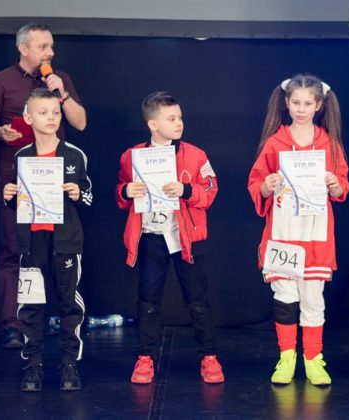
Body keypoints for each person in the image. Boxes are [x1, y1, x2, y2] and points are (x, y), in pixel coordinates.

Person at [0, 23, 86, 348]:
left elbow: (80, 122)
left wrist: (62, 93)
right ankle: (13, 324)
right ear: (23, 49)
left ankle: (44, 318)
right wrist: (0, 132)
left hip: (56, 176)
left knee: (53, 249)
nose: (50, 52)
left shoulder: (60, 79)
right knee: (15, 249)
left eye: (51, 46)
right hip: (18, 176)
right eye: (42, 47)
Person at [247, 74, 349, 386]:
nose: (301, 109)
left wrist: (335, 184)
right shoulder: (275, 143)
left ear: (319, 105)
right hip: (283, 232)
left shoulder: (329, 144)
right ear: (286, 103)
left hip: (315, 234)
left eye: (307, 103)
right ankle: (287, 357)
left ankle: (314, 359)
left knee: (313, 298)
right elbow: (256, 182)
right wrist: (266, 186)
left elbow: (342, 186)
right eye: (296, 103)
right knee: (285, 297)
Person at [115, 92, 224, 384]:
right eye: (171, 118)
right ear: (153, 124)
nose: (179, 123)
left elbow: (211, 190)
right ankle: (145, 357)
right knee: (148, 300)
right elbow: (121, 190)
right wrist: (126, 191)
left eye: (180, 117)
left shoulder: (196, 155)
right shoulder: (131, 156)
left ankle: (209, 357)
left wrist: (186, 190)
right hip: (151, 236)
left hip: (186, 238)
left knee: (198, 301)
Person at [3, 88, 92, 392]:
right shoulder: (22, 157)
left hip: (65, 241)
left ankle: (69, 364)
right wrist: (9, 196)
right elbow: (17, 199)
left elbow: (89, 196)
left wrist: (78, 194)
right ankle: (33, 365)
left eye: (55, 112)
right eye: (43, 113)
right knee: (31, 305)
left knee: (69, 304)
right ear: (29, 118)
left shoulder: (74, 155)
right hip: (32, 242)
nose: (51, 118)